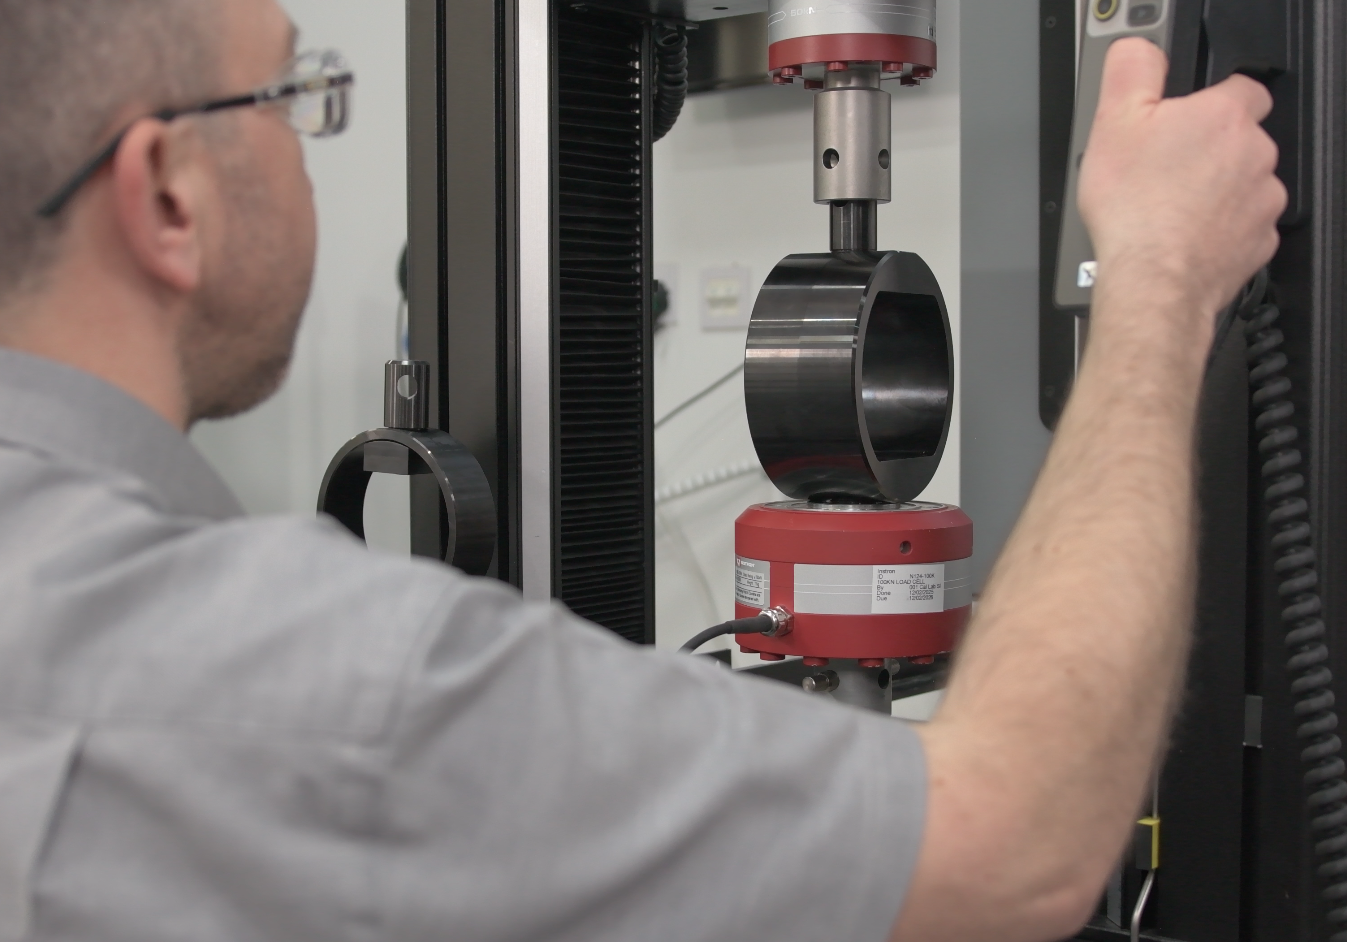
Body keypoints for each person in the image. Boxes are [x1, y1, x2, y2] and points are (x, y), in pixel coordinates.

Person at [0, 1, 1284, 940]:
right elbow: (1016, 842)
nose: (308, 141)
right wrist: (1162, 277)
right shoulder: (347, 690)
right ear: (165, 198)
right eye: (293, 97)